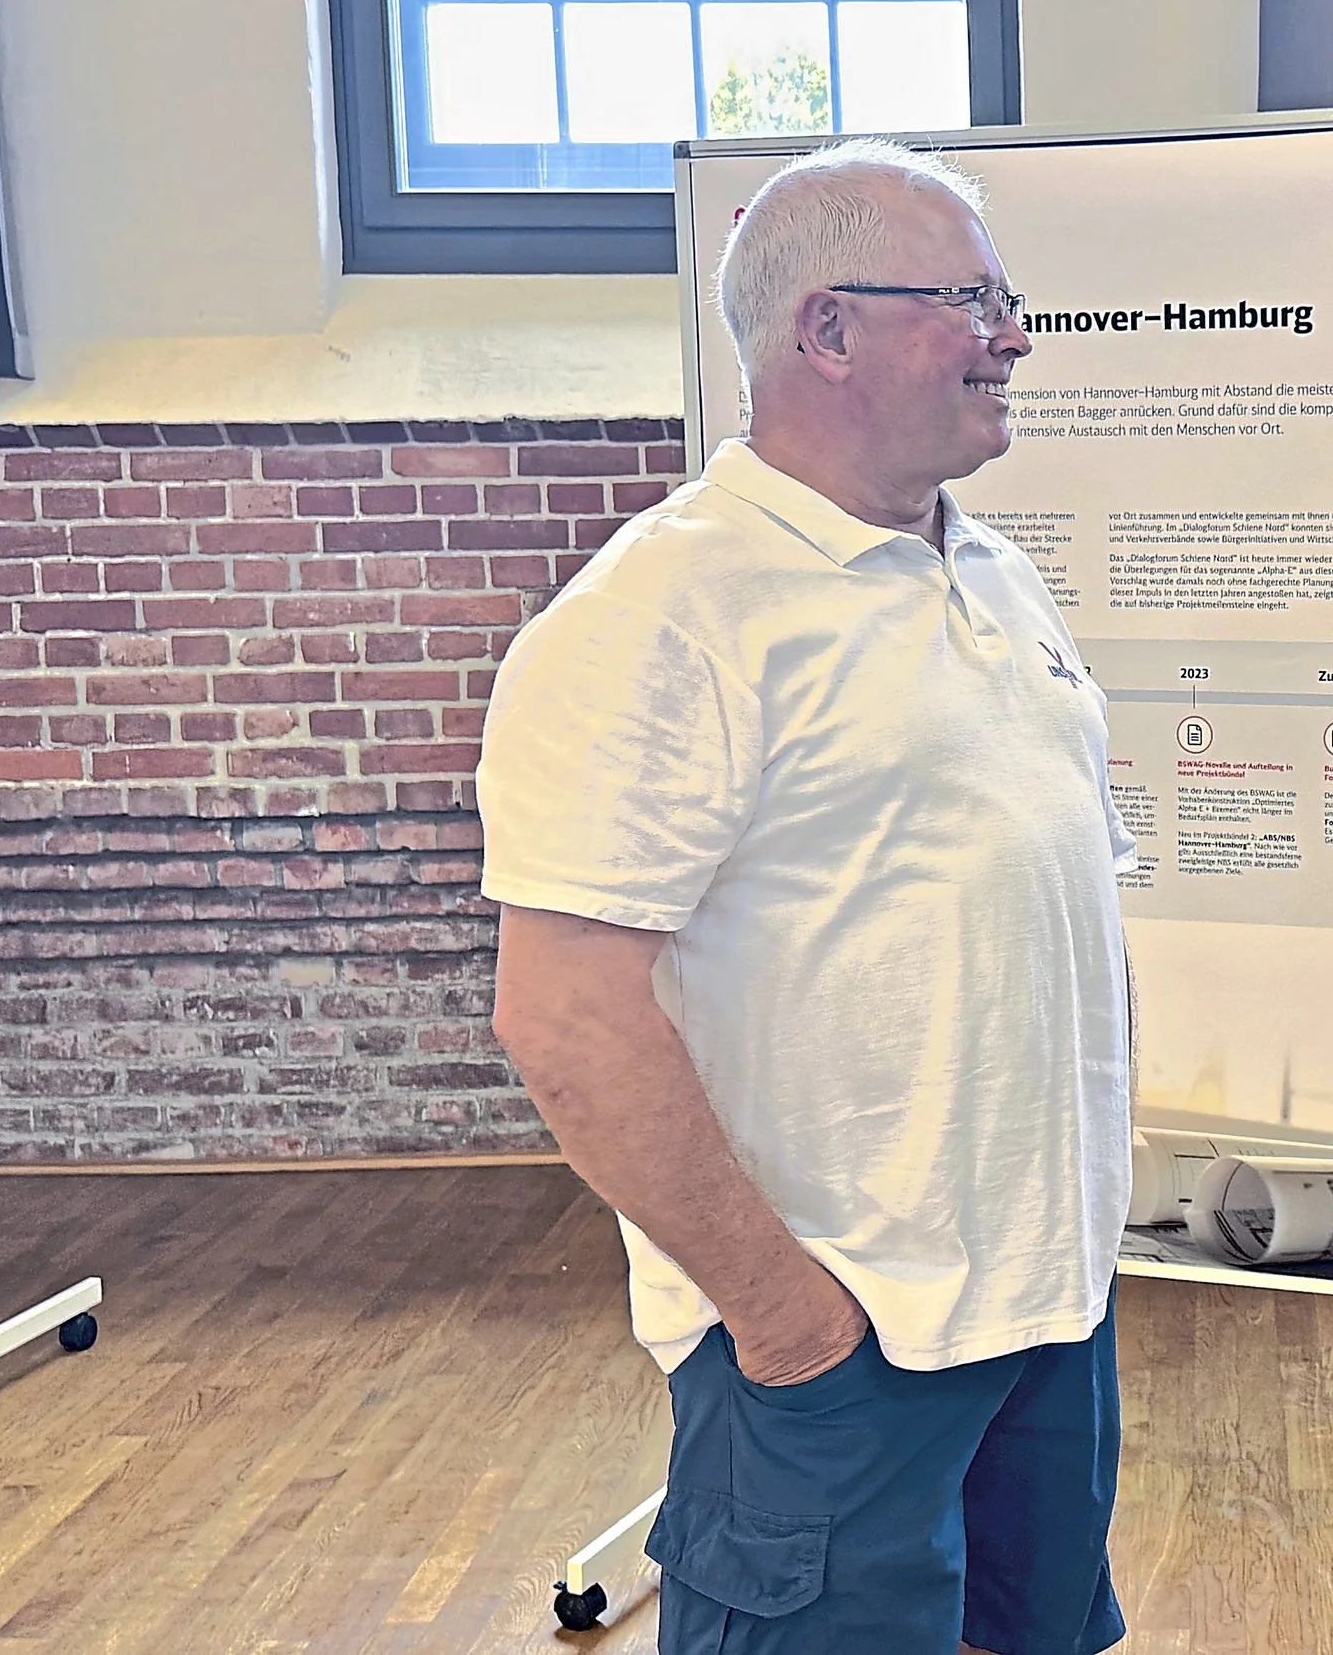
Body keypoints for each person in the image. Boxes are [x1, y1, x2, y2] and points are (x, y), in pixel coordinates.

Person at [479, 139, 1135, 1655]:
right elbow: (564, 1018)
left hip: (1044, 1312)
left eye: (1009, 301)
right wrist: (786, 1325)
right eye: (972, 301)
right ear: (825, 330)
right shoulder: (660, 614)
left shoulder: (995, 575)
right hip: (838, 1347)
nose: (1014, 338)